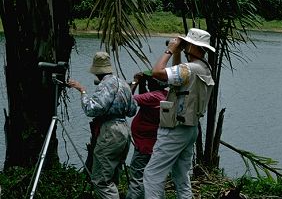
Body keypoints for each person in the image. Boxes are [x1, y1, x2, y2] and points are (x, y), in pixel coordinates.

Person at [143, 28, 215, 199]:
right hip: (190, 129)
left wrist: (170, 50)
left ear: (191, 46)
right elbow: (179, 73)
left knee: (152, 176)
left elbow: (157, 72)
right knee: (181, 176)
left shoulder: (190, 69)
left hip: (175, 130)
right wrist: (179, 53)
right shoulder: (204, 67)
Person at [68, 51, 136, 199]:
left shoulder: (105, 85)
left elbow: (92, 109)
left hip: (110, 131)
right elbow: (132, 110)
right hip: (124, 129)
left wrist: (82, 91)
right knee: (112, 176)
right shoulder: (123, 83)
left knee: (101, 180)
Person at [126, 70, 168, 199]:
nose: (148, 84)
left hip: (144, 146)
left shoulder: (153, 97)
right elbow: (145, 99)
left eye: (150, 82)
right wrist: (142, 84)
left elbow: (127, 99)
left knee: (137, 179)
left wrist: (135, 82)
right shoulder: (164, 95)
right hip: (155, 145)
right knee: (153, 179)